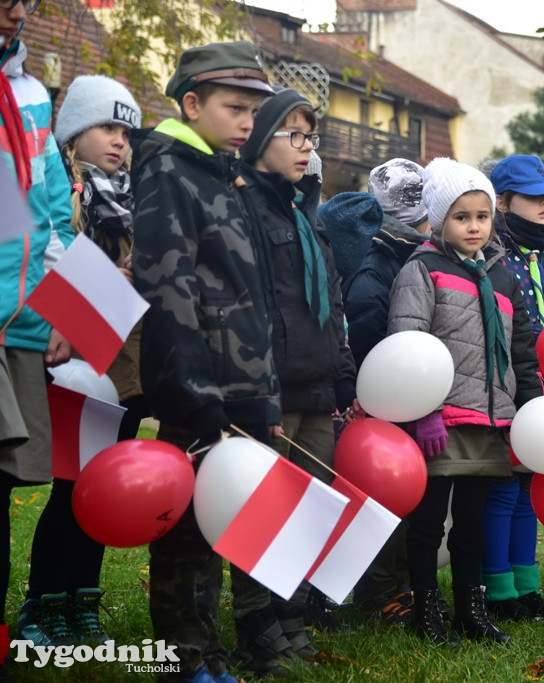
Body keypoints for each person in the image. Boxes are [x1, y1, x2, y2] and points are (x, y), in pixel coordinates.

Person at [130, 41, 283, 683]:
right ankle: (187, 656)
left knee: (230, 518)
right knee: (187, 529)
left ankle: (217, 647)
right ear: (191, 104)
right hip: (200, 388)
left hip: (243, 382)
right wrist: (193, 390)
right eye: (234, 106)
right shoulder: (169, 170)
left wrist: (262, 391)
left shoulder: (225, 172)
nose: (248, 121)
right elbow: (169, 289)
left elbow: (247, 295)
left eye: (254, 109)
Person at [388, 157, 543, 646]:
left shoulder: (503, 277)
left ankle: (470, 609)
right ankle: (426, 608)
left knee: (472, 526)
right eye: (461, 217)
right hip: (443, 418)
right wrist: (424, 409)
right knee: (430, 521)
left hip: (491, 418)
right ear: (437, 219)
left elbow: (522, 350)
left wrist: (530, 413)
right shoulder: (422, 270)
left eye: (482, 216)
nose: (474, 226)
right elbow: (407, 343)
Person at [16, 74, 142, 650]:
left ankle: (82, 598)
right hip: (74, 361)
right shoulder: (63, 196)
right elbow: (41, 262)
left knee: (105, 485)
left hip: (128, 364)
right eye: (106, 127)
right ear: (72, 134)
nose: (119, 141)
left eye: (126, 131)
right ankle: (42, 600)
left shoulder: (139, 202)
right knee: (72, 486)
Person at [238, 88, 358, 661]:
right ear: (262, 140)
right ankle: (256, 626)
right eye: (296, 137)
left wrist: (343, 375)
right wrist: (259, 391)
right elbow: (252, 308)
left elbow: (330, 305)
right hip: (271, 388)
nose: (308, 149)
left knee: (308, 510)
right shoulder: (246, 208)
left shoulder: (307, 211)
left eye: (312, 138)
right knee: (264, 510)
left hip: (314, 386)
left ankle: (291, 617)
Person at [0, 3, 75, 677]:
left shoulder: (28, 96)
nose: (17, 12)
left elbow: (49, 219)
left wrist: (59, 312)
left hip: (17, 331)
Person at [480, 154, 544, 624]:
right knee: (504, 485)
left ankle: (528, 587)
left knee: (530, 485)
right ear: (503, 201)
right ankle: (497, 588)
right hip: (507, 380)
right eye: (533, 197)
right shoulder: (494, 252)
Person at [345, 158, 430, 626]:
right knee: (384, 497)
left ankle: (401, 583)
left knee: (411, 496)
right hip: (382, 400)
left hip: (415, 394)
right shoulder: (377, 266)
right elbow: (366, 330)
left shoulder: (416, 255)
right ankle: (379, 590)